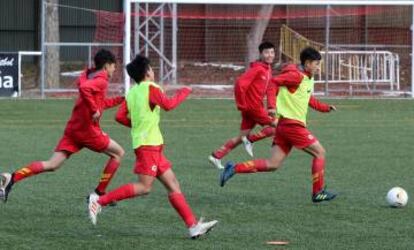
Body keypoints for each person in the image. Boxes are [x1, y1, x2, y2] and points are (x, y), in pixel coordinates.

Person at [88, 55, 218, 239]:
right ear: (147, 72)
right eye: (151, 68)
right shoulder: (152, 88)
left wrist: (139, 125)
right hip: (148, 146)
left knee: (173, 185)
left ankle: (193, 227)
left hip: (151, 145)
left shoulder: (132, 92)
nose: (153, 71)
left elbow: (119, 116)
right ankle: (99, 201)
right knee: (144, 187)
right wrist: (185, 91)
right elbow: (169, 105)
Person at [0, 49, 125, 203]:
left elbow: (99, 102)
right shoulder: (102, 80)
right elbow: (85, 90)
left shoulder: (89, 75)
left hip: (74, 129)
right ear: (106, 66)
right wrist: (94, 110)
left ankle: (12, 177)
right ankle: (99, 193)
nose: (114, 69)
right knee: (118, 153)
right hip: (87, 131)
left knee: (53, 164)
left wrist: (121, 100)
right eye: (113, 66)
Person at [220, 47, 337, 203]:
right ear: (308, 63)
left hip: (283, 126)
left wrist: (324, 108)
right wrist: (271, 106)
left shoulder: (306, 77)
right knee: (320, 153)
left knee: (272, 164)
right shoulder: (296, 76)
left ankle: (234, 168)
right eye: (316, 64)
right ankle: (318, 192)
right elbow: (273, 84)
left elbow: (307, 98)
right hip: (291, 125)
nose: (318, 67)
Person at [208, 41, 278, 169]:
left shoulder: (267, 69)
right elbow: (240, 84)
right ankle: (251, 140)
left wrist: (271, 106)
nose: (270, 55)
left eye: (272, 52)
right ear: (261, 54)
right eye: (267, 52)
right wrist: (241, 104)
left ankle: (216, 156)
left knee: (241, 137)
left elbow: (270, 89)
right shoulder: (257, 69)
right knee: (278, 126)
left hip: (252, 109)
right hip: (253, 108)